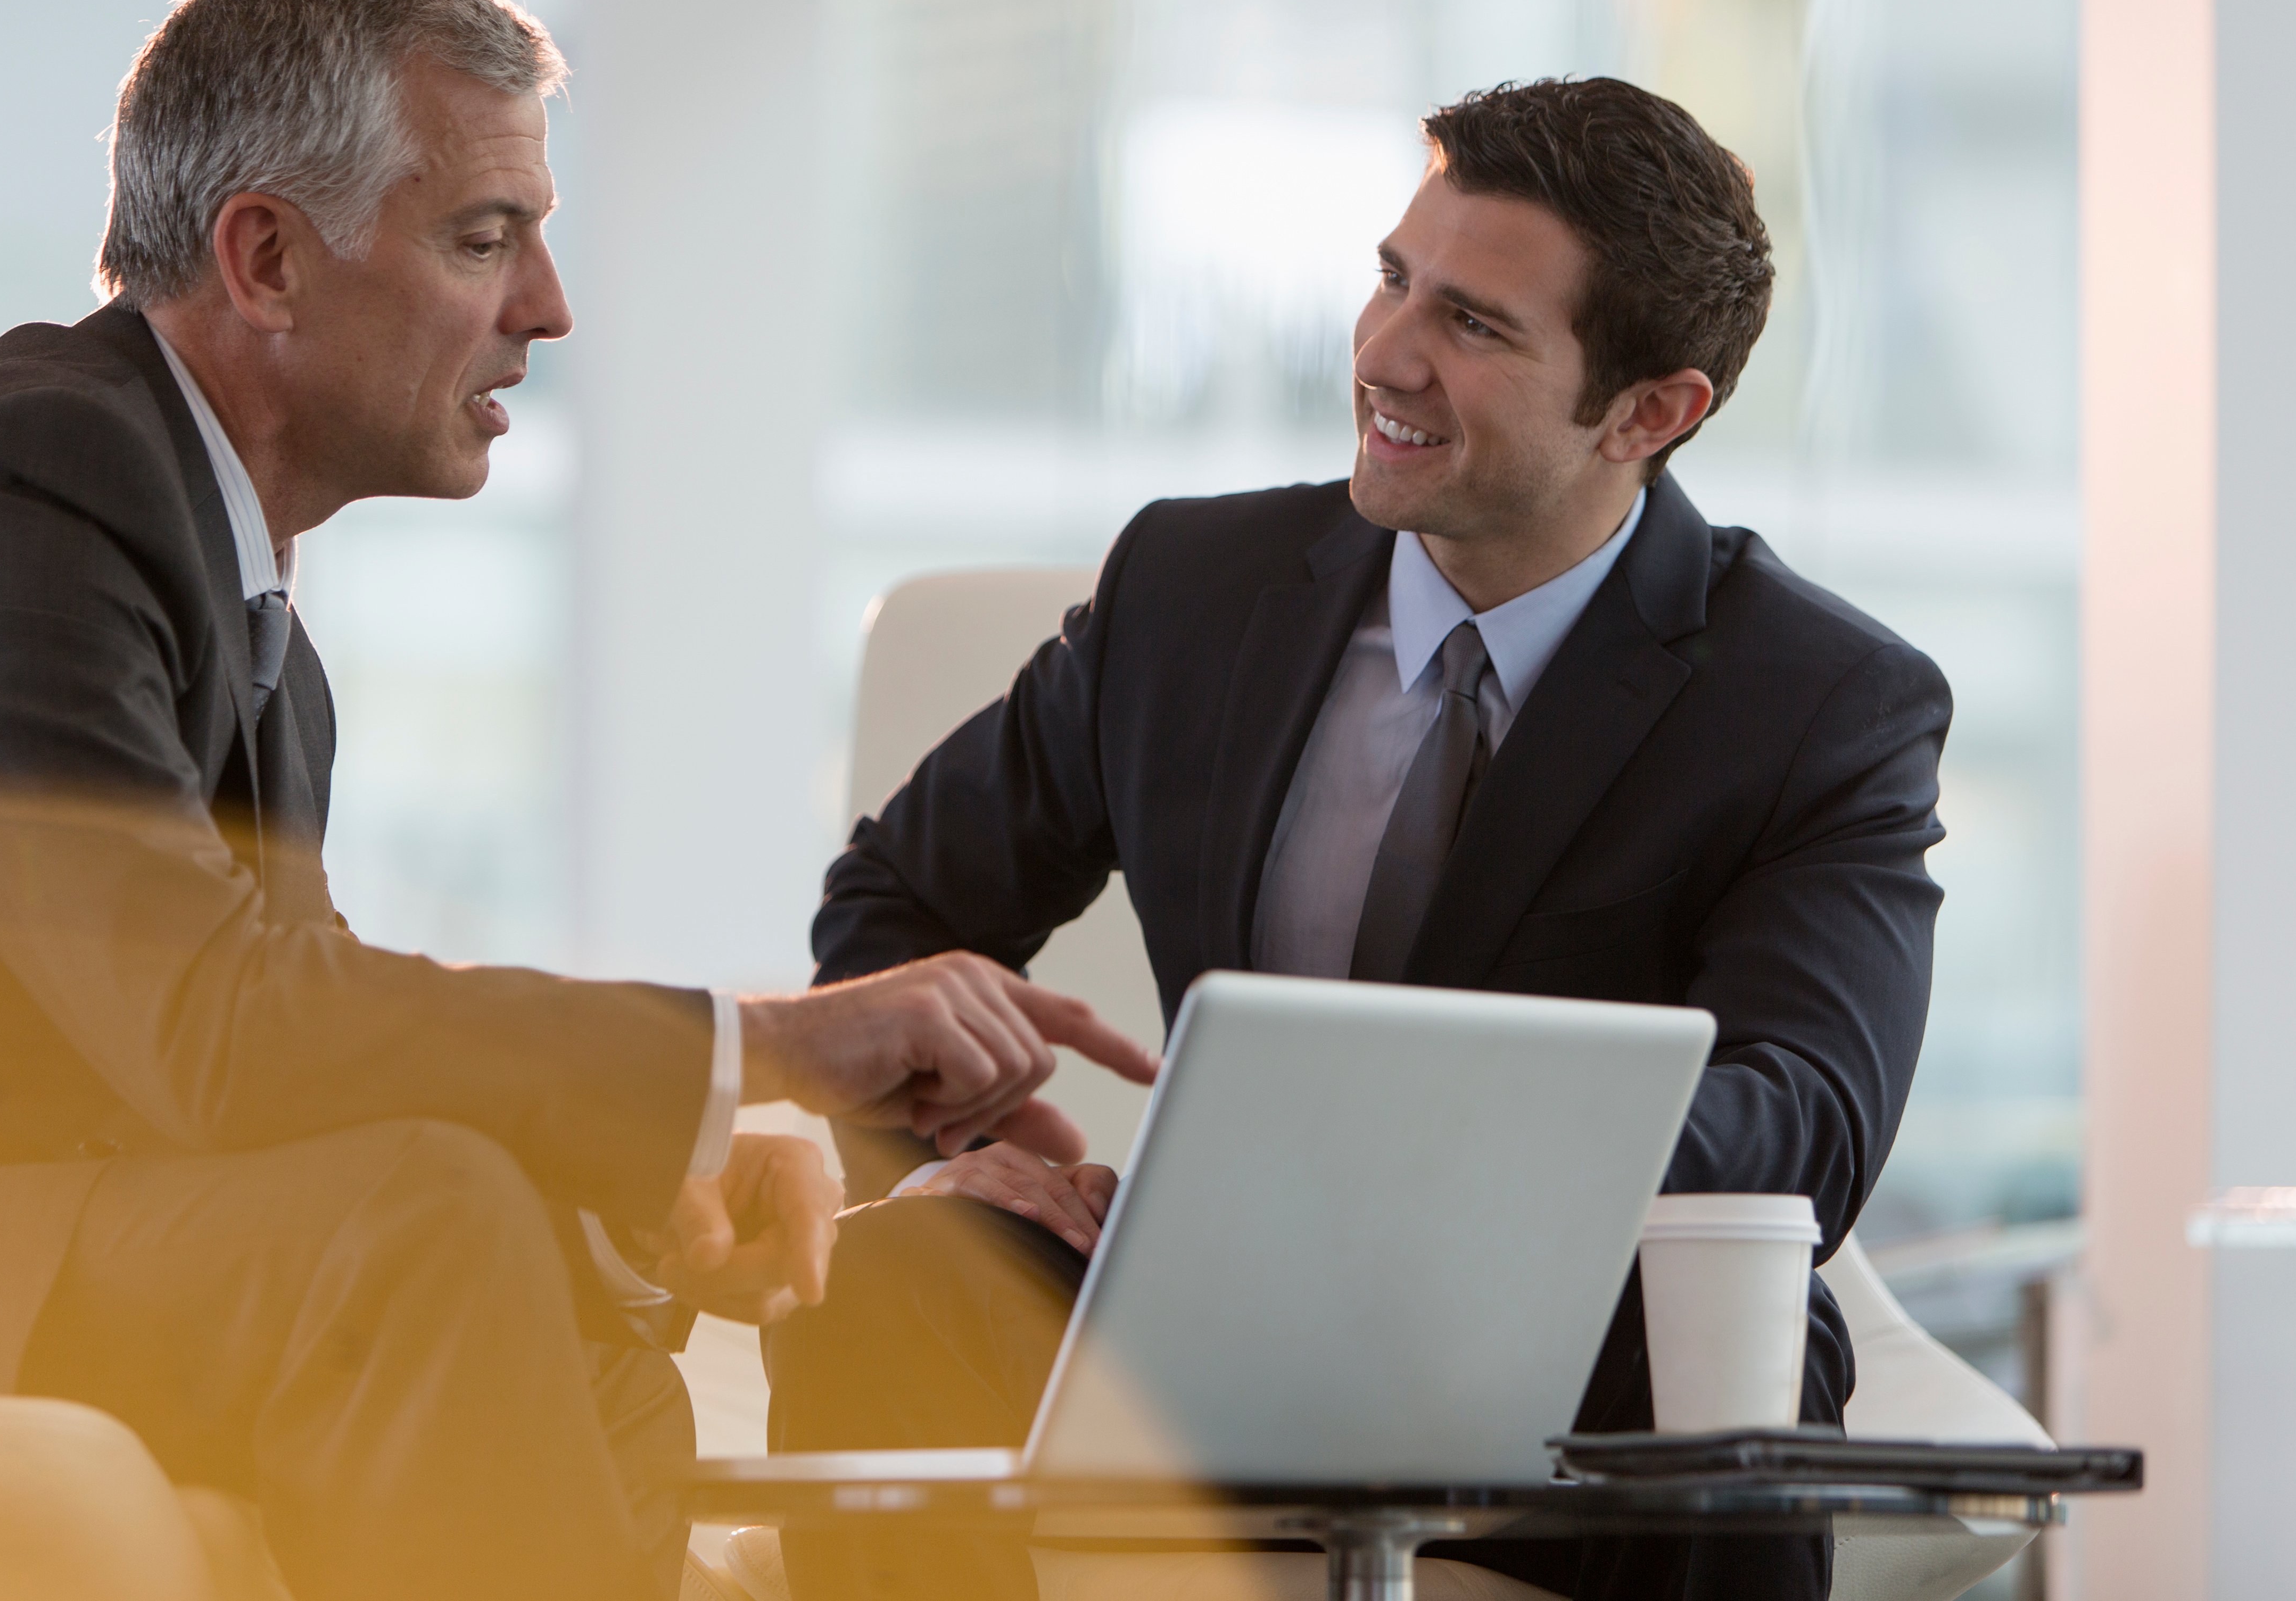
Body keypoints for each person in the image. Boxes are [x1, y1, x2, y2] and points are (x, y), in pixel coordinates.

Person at [0, 0, 1157, 1601]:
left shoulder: (247, 625)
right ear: (264, 257)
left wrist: (655, 1192)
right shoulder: (26, 480)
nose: (546, 308)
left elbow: (293, 1050)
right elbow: (219, 1027)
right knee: (419, 1223)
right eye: (487, 239)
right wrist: (761, 1047)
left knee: (502, 1214)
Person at [767, 78, 1948, 1601]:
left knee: (1745, 1374)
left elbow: (1805, 1116)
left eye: (1476, 325)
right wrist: (974, 1150)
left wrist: (1377, 1163)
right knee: (895, 1275)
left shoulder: (1822, 700)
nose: (1387, 355)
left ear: (1652, 412)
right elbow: (903, 899)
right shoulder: (1186, 589)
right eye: (1395, 280)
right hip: (1194, 1320)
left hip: (1584, 1347)